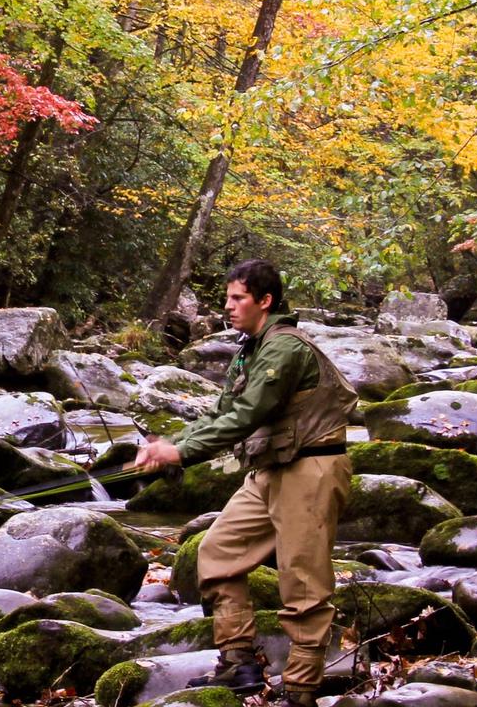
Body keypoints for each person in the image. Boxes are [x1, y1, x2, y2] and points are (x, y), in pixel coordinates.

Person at [134, 259, 357, 707]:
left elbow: (250, 413)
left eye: (238, 298)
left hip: (310, 471)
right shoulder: (250, 350)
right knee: (217, 553)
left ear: (265, 300)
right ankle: (240, 664)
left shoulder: (285, 347)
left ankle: (301, 691)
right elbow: (222, 414)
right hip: (270, 470)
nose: (228, 307)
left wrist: (182, 453)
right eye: (228, 298)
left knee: (303, 585)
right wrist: (172, 446)